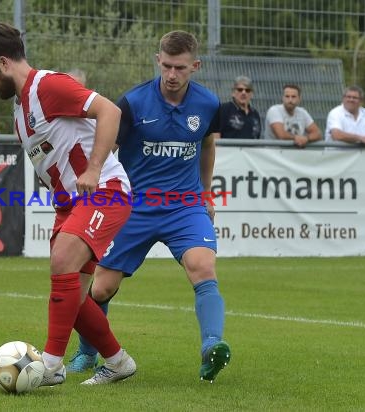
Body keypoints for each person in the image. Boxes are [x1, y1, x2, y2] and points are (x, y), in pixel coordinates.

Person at [0, 22, 136, 386]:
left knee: (62, 264)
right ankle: (119, 362)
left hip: (103, 191)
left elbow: (111, 112)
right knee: (71, 296)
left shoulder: (49, 85)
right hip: (69, 205)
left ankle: (49, 366)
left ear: (5, 62)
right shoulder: (19, 111)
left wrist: (93, 168)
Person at [67, 30, 231, 383]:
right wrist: (96, 180)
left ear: (195, 66)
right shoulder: (133, 102)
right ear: (158, 60)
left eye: (181, 68)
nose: (172, 75)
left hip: (184, 206)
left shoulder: (208, 104)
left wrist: (205, 192)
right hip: (133, 206)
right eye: (167, 66)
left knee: (203, 267)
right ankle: (86, 352)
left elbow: (207, 145)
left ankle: (212, 347)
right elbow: (108, 147)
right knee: (101, 288)